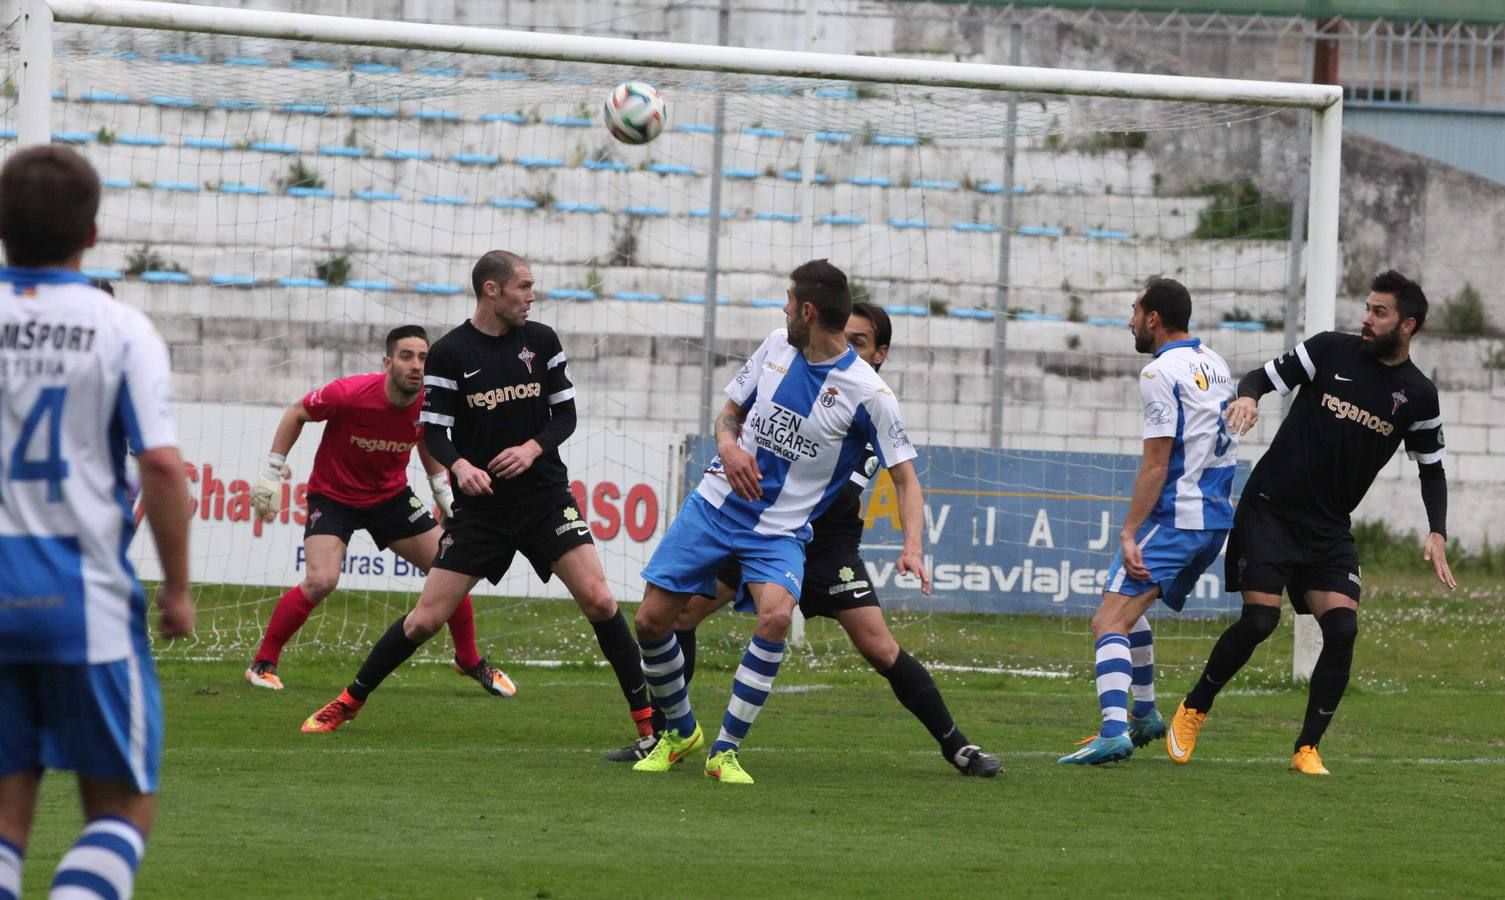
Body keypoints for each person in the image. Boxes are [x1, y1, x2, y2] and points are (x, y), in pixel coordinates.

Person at [610, 301, 998, 777]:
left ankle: (956, 744)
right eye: (845, 336)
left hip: (825, 545)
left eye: (860, 341)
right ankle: (667, 732)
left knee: (878, 647)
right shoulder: (796, 366)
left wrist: (912, 547)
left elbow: (905, 478)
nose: (846, 346)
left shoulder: (870, 403)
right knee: (677, 615)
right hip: (765, 531)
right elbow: (746, 416)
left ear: (880, 353)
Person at [300, 251, 652, 742]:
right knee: (425, 621)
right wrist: (460, 466)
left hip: (545, 497)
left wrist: (532, 449)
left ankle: (649, 724)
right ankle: (349, 701)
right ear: (492, 290)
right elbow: (435, 434)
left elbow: (564, 418)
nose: (532, 296)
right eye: (523, 286)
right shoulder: (449, 354)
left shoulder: (542, 341)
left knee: (598, 599)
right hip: (483, 511)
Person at [0, 145, 194, 900]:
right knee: (121, 807)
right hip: (81, 598)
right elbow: (162, 467)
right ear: (92, 233)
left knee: (8, 815)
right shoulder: (120, 330)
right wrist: (179, 588)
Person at [1169, 270, 1454, 775]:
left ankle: (1307, 749)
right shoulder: (1329, 350)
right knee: (1260, 621)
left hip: (1327, 527)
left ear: (1408, 325)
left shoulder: (1419, 396)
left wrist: (1437, 531)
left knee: (1342, 629)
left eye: (1379, 312)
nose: (1367, 319)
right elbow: (1258, 377)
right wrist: (1249, 397)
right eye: (1367, 308)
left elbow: (1431, 469)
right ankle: (1194, 708)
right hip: (1270, 506)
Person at [245, 326, 512, 697]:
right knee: (322, 581)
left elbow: (427, 442)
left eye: (423, 358)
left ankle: (468, 659)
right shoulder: (349, 393)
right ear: (388, 362)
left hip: (391, 498)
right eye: (406, 356)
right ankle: (263, 662)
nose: (416, 365)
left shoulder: (428, 403)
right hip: (333, 496)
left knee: (452, 566)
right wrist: (271, 471)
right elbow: (297, 412)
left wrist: (443, 494)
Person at [1056, 277, 1237, 765]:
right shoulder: (1215, 363)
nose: (1130, 320)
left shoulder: (1159, 373)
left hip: (1177, 515)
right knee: (1128, 611)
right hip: (1215, 518)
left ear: (1153, 317)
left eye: (1135, 310)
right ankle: (1145, 715)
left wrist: (1129, 531)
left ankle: (1114, 731)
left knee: (1107, 621)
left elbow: (1157, 462)